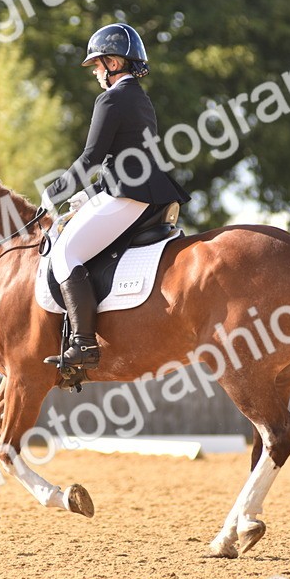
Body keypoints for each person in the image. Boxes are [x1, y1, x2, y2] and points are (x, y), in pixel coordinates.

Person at [40, 23, 188, 371]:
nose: (95, 73)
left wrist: (54, 193)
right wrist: (87, 195)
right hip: (142, 191)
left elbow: (92, 157)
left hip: (129, 196)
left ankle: (84, 343)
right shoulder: (140, 98)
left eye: (96, 65)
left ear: (113, 62)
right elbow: (123, 158)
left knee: (65, 254)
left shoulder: (111, 98)